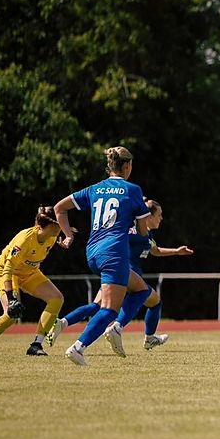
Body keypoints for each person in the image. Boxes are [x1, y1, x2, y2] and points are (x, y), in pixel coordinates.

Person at [47, 199, 194, 350]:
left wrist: (176, 251)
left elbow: (155, 251)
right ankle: (122, 329)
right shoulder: (133, 231)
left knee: (97, 307)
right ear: (149, 216)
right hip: (124, 274)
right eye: (159, 215)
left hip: (115, 274)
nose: (161, 218)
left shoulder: (146, 234)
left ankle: (62, 323)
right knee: (149, 297)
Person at [53, 146, 153, 366]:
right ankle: (78, 348)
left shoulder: (95, 189)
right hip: (114, 253)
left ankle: (115, 329)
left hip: (93, 252)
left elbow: (59, 208)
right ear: (127, 166)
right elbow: (142, 230)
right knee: (108, 309)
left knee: (142, 289)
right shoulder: (132, 189)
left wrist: (68, 236)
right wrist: (143, 234)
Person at [0, 208, 66, 358]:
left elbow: (68, 230)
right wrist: (11, 298)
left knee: (56, 299)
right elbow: (8, 269)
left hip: (29, 273)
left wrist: (68, 238)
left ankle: (36, 345)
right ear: (45, 226)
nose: (61, 226)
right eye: (58, 224)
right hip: (7, 272)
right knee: (11, 314)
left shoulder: (52, 237)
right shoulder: (24, 239)